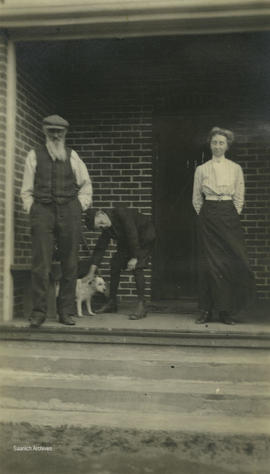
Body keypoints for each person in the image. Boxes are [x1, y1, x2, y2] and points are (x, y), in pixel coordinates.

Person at [21, 114, 92, 327]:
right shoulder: (34, 156)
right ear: (44, 131)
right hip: (42, 212)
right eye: (51, 131)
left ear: (65, 134)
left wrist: (79, 206)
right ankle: (39, 313)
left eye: (59, 132)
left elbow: (86, 185)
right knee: (41, 264)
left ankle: (66, 312)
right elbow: (26, 190)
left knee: (70, 264)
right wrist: (32, 209)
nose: (55, 135)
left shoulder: (72, 157)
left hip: (69, 212)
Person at [192, 126, 255, 325]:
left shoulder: (235, 168)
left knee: (229, 262)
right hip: (208, 215)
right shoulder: (201, 169)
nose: (217, 146)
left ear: (227, 146)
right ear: (209, 145)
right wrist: (207, 215)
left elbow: (239, 196)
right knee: (209, 263)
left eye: (221, 143)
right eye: (214, 142)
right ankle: (205, 310)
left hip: (228, 215)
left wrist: (230, 214)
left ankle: (226, 311)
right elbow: (196, 199)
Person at [85, 207, 156, 320]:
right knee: (115, 264)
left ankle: (142, 306)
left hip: (144, 238)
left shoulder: (120, 212)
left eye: (101, 222)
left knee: (137, 266)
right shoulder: (107, 228)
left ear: (101, 213)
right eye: (99, 227)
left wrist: (134, 257)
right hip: (128, 242)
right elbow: (100, 249)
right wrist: (91, 272)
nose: (102, 226)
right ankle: (112, 303)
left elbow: (132, 233)